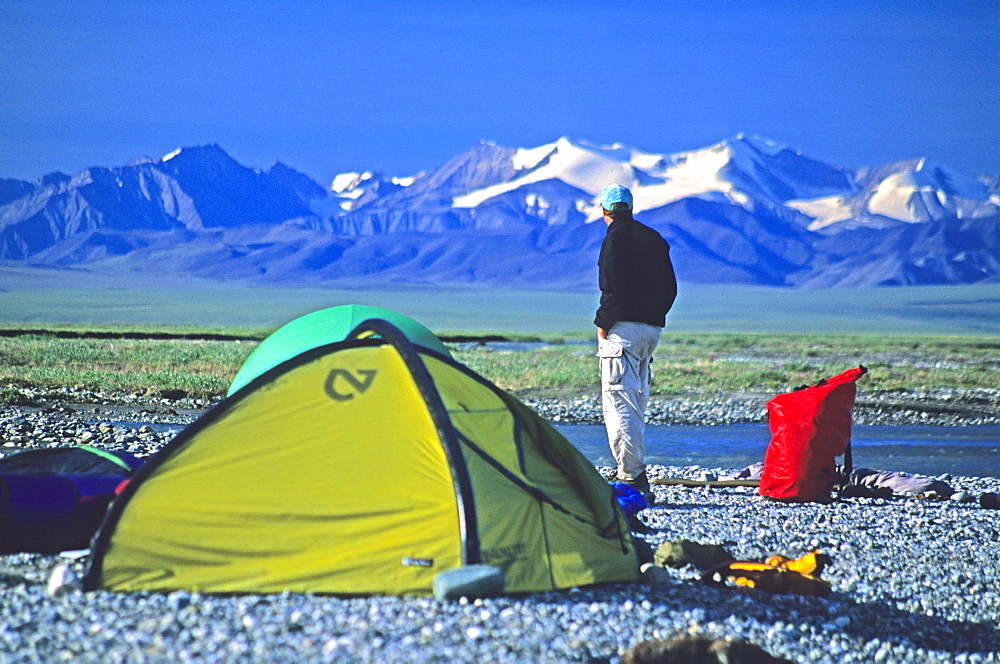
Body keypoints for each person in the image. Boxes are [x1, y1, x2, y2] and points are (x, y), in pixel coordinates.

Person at [595, 184, 677, 499]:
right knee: (635, 401)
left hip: (622, 332)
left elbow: (610, 285)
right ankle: (628, 469)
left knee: (620, 404)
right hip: (651, 330)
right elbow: (670, 289)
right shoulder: (654, 239)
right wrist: (654, 315)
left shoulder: (613, 239)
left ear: (605, 210)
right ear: (630, 207)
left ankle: (631, 477)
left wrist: (604, 323)